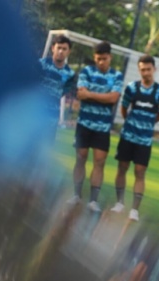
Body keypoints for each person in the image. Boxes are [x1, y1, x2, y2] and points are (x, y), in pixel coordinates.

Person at [110, 55, 159, 221]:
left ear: (154, 69)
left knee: (140, 172)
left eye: (149, 69)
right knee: (122, 168)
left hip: (144, 140)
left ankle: (134, 210)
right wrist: (132, 123)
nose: (146, 73)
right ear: (139, 70)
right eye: (143, 69)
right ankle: (120, 203)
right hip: (128, 136)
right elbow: (124, 108)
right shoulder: (131, 87)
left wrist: (146, 124)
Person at [67, 42, 123, 212]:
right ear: (94, 57)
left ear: (110, 57)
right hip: (84, 123)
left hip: (103, 127)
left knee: (99, 162)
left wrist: (90, 94)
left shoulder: (117, 75)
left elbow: (113, 98)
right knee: (81, 158)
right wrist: (102, 96)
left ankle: (93, 201)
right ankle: (76, 195)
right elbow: (81, 94)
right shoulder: (86, 71)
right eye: (98, 59)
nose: (101, 62)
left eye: (104, 59)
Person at [38, 34, 75, 142]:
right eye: (59, 47)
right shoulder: (41, 64)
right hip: (34, 114)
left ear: (69, 52)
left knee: (43, 154)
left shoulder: (70, 74)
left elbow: (62, 92)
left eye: (64, 49)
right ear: (53, 48)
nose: (61, 51)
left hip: (52, 119)